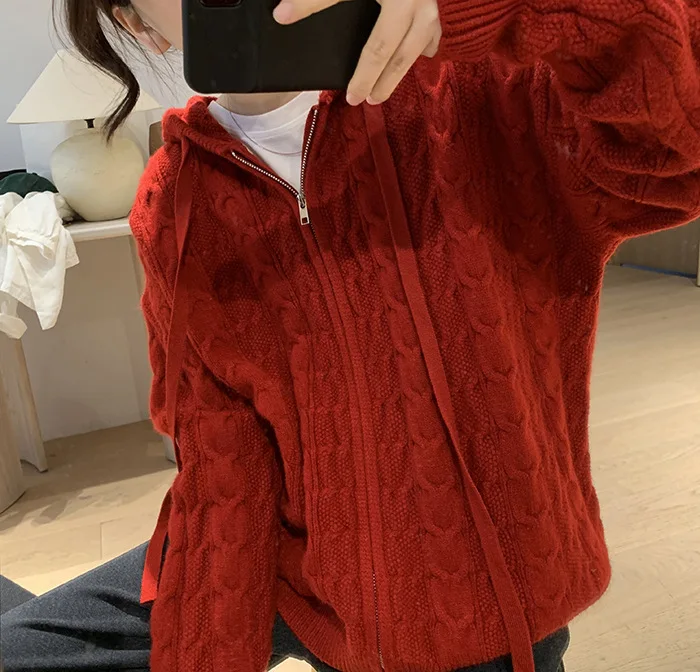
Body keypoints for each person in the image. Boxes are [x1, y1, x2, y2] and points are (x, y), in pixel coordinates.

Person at [3, 0, 700, 670]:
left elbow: (677, 147)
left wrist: (486, 9)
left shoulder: (480, 89)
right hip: (298, 578)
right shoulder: (174, 198)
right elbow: (222, 462)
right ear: (140, 26)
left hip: (486, 616)